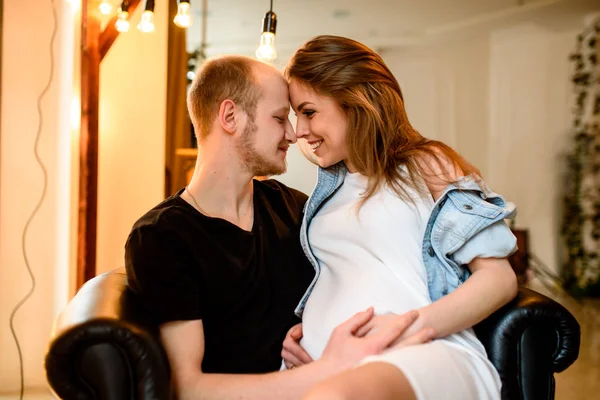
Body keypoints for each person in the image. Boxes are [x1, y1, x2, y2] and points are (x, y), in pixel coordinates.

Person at [124, 55, 434, 400]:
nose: (293, 133)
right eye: (278, 118)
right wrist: (327, 368)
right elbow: (188, 388)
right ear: (230, 117)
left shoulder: (296, 208)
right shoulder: (162, 236)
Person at [282, 35, 519, 400]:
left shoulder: (426, 164)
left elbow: (499, 279)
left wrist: (406, 328)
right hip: (329, 363)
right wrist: (306, 331)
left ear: (355, 100)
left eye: (309, 111)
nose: (299, 130)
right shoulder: (327, 192)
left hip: (419, 352)